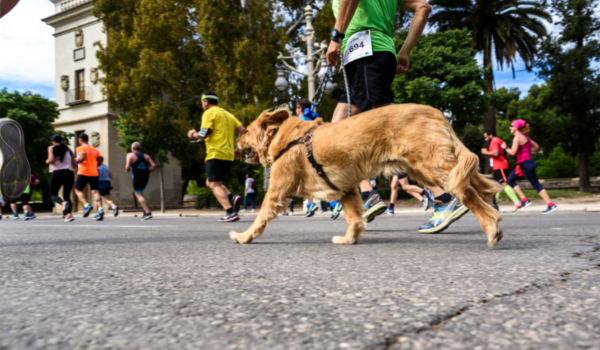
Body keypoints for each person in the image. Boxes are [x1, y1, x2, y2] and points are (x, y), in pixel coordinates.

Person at [326, 0, 468, 233]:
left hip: (365, 52)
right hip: (373, 53)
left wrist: (336, 37)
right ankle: (366, 193)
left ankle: (443, 196)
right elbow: (423, 8)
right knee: (337, 130)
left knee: (394, 135)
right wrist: (404, 53)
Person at [187, 91, 247, 223]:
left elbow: (204, 134)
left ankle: (230, 212)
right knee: (211, 182)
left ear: (206, 102)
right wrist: (238, 148)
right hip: (228, 155)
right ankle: (232, 198)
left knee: (214, 184)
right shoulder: (229, 115)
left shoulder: (209, 113)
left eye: (202, 102)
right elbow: (244, 131)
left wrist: (192, 134)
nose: (202, 104)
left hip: (215, 153)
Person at [503, 120, 557, 214]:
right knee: (510, 180)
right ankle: (524, 200)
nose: (510, 127)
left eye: (511, 126)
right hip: (525, 164)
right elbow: (536, 146)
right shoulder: (525, 137)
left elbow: (513, 152)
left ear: (516, 128)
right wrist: (525, 152)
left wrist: (505, 147)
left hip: (526, 164)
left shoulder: (517, 137)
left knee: (536, 185)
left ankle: (551, 205)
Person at [481, 129, 522, 213]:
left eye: (486, 137)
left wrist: (486, 152)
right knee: (497, 184)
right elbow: (507, 153)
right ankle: (494, 205)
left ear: (491, 135)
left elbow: (495, 153)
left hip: (500, 166)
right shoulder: (500, 141)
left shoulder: (494, 142)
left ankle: (517, 203)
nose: (485, 139)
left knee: (504, 183)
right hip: (500, 165)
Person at [46, 134, 76, 222]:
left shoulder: (51, 147)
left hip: (58, 173)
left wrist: (46, 161)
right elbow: (74, 165)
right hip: (69, 173)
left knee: (53, 194)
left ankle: (63, 203)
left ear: (53, 141)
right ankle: (69, 215)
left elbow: (51, 160)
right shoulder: (69, 150)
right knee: (67, 195)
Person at [74, 133, 103, 220]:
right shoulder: (95, 149)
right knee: (95, 192)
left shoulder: (80, 148)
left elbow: (82, 157)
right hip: (94, 173)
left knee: (77, 189)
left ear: (80, 140)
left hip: (83, 172)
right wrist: (93, 166)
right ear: (88, 140)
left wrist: (75, 160)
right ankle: (100, 209)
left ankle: (87, 205)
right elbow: (100, 161)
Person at [125, 142, 156, 221]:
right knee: (140, 193)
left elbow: (127, 167)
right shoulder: (146, 155)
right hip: (146, 177)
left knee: (138, 194)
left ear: (133, 148)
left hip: (137, 177)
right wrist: (148, 172)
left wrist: (127, 170)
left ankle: (148, 212)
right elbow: (153, 165)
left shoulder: (130, 155)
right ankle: (145, 212)